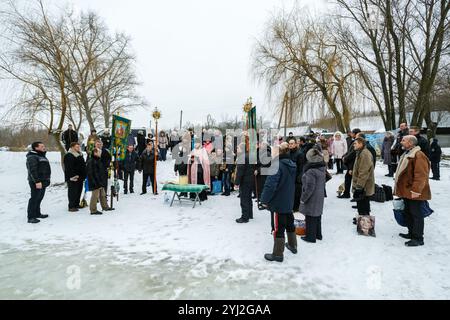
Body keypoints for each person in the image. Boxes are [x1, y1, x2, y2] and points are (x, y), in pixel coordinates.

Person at [261, 143, 297, 262]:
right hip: (288, 199)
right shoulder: (291, 163)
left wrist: (264, 200)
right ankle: (293, 245)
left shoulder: (276, 165)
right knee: (290, 222)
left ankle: (277, 254)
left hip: (279, 201)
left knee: (278, 227)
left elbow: (270, 185)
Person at [394, 135, 431, 247]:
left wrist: (416, 190)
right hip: (406, 190)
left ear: (410, 143)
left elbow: (421, 175)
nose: (401, 142)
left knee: (416, 214)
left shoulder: (418, 155)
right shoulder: (407, 153)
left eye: (404, 140)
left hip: (414, 191)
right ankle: (411, 232)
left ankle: (418, 238)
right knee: (408, 212)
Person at [300, 148, 327, 243]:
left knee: (310, 216)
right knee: (317, 215)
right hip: (319, 195)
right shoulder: (322, 167)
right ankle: (318, 234)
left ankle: (310, 237)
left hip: (312, 196)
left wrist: (303, 198)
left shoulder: (311, 171)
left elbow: (309, 187)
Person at [351, 137, 375, 224]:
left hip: (364, 184)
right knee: (361, 202)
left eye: (355, 143)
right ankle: (361, 218)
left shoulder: (364, 154)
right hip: (361, 183)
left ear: (361, 144)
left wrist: (359, 187)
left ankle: (365, 220)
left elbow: (364, 171)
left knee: (364, 202)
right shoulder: (360, 152)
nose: (353, 145)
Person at [26, 142, 51, 224]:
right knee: (34, 198)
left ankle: (37, 213)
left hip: (43, 181)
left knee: (39, 198)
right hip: (36, 182)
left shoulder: (41, 156)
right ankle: (31, 217)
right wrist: (37, 181)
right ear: (36, 148)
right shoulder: (32, 157)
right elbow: (32, 170)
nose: (44, 147)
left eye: (44, 145)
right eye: (42, 146)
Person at [86, 148, 114, 215]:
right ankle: (93, 210)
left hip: (100, 181)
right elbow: (91, 173)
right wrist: (95, 182)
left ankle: (105, 207)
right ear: (95, 153)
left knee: (103, 195)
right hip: (95, 182)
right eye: (99, 152)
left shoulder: (98, 160)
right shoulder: (91, 161)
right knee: (95, 196)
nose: (100, 154)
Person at [234, 143, 256, 223]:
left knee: (244, 199)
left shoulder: (242, 157)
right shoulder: (249, 155)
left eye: (238, 148)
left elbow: (240, 172)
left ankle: (245, 217)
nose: (237, 149)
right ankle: (250, 214)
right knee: (249, 198)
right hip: (251, 180)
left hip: (245, 181)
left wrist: (236, 183)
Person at [64, 142, 86, 212]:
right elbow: (69, 167)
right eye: (77, 147)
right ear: (72, 147)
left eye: (79, 147)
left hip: (80, 177)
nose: (78, 148)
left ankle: (76, 204)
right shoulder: (69, 155)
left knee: (78, 191)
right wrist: (73, 176)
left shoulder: (79, 154)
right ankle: (71, 206)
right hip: (73, 177)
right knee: (73, 191)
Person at [340, 128, 361, 199]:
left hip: (353, 164)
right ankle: (347, 193)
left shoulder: (358, 142)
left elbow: (353, 153)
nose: (351, 134)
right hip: (351, 163)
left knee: (353, 180)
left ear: (356, 134)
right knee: (348, 179)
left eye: (352, 133)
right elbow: (349, 151)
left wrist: (345, 158)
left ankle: (353, 195)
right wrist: (344, 155)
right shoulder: (354, 141)